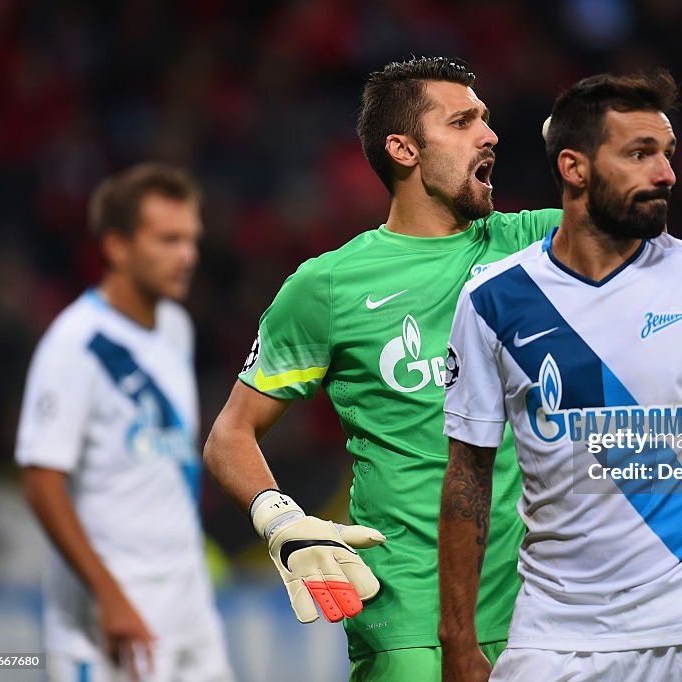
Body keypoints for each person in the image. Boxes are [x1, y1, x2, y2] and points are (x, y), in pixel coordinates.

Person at [438, 72, 682, 682]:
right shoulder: (493, 300)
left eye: (667, 155)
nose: (665, 173)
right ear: (575, 167)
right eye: (640, 153)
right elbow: (467, 475)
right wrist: (457, 638)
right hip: (555, 636)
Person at [202, 56, 561, 681]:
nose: (489, 134)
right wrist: (279, 517)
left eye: (486, 119)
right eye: (463, 121)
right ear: (403, 149)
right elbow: (230, 434)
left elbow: (642, 221)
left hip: (551, 613)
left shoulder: (536, 244)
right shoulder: (330, 286)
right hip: (410, 621)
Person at [16, 163, 234, 681]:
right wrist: (109, 597)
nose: (188, 256)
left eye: (191, 239)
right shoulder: (74, 344)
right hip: (114, 617)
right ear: (116, 246)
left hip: (189, 604)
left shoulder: (176, 327)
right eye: (169, 240)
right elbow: (41, 483)